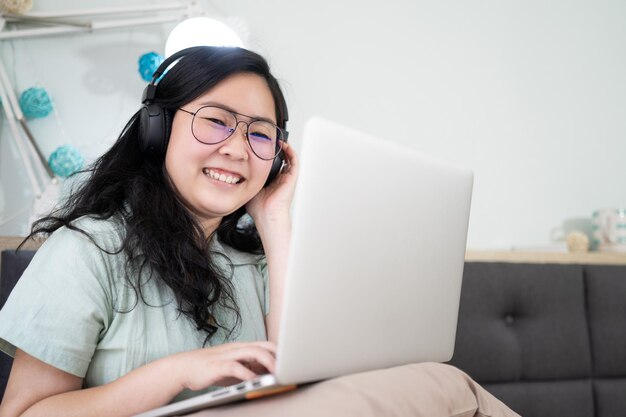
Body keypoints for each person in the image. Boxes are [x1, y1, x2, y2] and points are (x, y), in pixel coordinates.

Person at [0, 46, 519, 417]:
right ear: (157, 130)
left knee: (440, 383)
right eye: (216, 120)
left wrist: (274, 219)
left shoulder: (254, 259)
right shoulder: (90, 248)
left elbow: (302, 379)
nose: (237, 148)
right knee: (449, 388)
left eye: (260, 134)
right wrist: (178, 372)